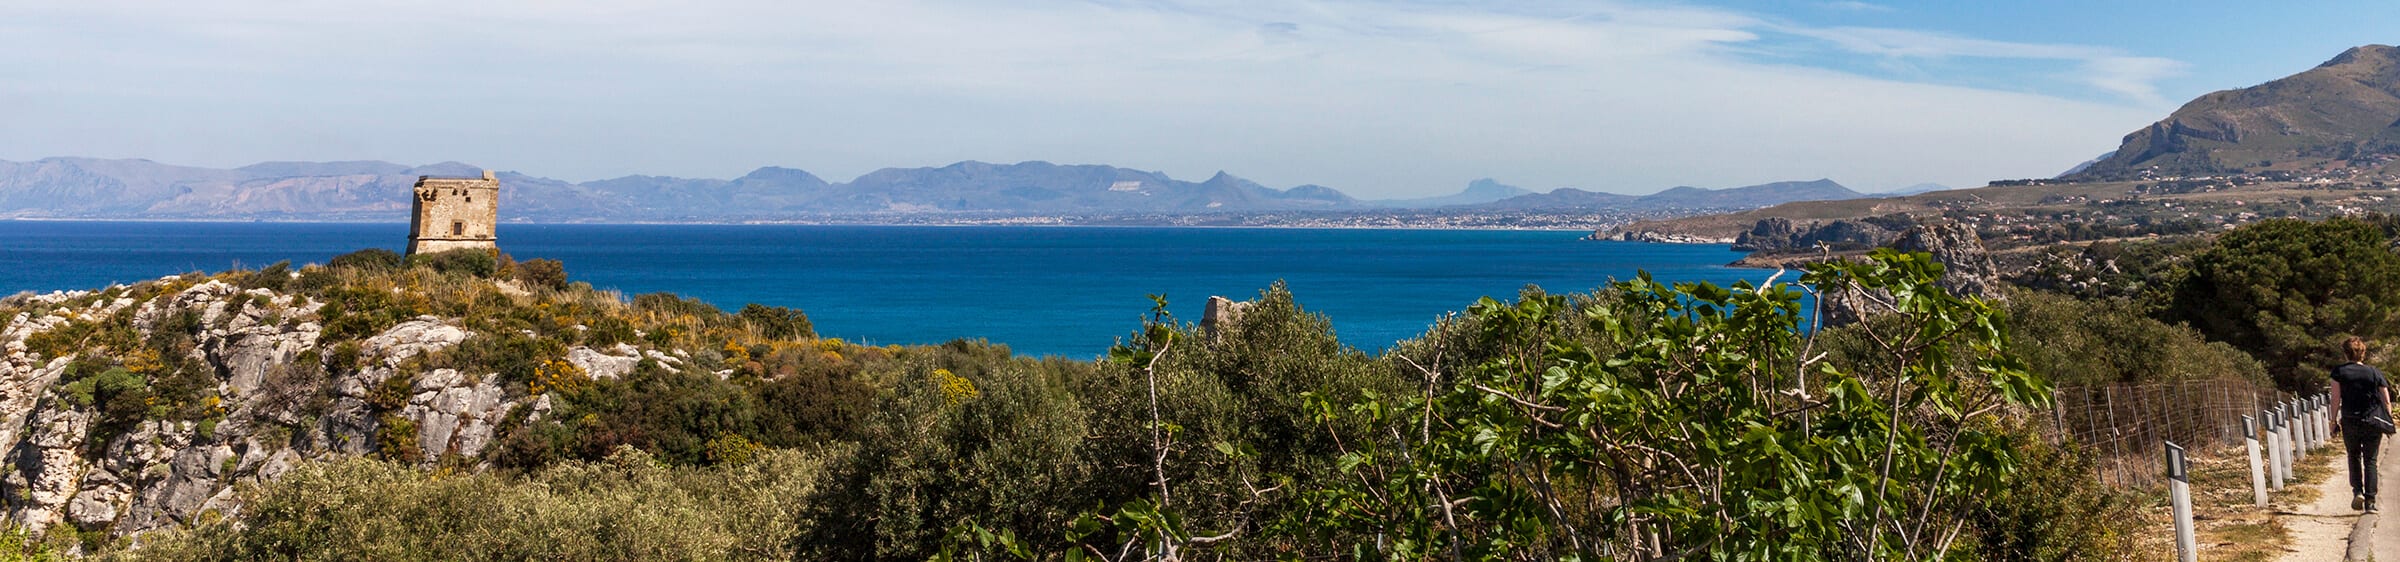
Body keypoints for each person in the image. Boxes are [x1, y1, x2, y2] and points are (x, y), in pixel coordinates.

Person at [2331, 337, 2392, 512]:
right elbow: (2386, 400)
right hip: (2372, 421)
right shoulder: (2374, 372)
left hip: (2350, 420)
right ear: (2363, 353)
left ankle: (2357, 491)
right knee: (2371, 460)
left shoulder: (2338, 372)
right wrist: (2387, 420)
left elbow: (2335, 398)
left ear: (2345, 353)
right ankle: (2370, 501)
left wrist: (2333, 421)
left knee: (2353, 456)